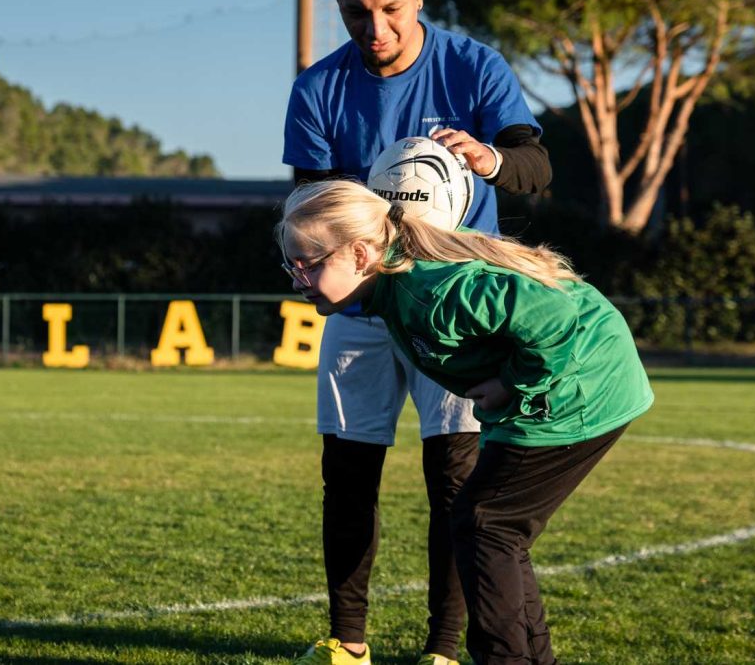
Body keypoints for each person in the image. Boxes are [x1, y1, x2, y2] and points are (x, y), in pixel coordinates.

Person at [277, 179, 654, 665]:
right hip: (574, 387)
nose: (295, 279)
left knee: (483, 524)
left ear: (360, 254)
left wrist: (511, 382)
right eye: (291, 264)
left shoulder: (431, 292)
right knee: (496, 530)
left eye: (309, 264)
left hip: (586, 390)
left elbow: (560, 318)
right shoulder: (392, 293)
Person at [283, 0, 551, 663]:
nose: (376, 27)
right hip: (362, 309)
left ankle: (442, 649)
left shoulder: (474, 66)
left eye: (392, 8)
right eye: (355, 12)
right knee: (346, 475)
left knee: (456, 482)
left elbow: (535, 168)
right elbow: (309, 204)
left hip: (455, 310)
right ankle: (348, 644)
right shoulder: (319, 88)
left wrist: (488, 159)